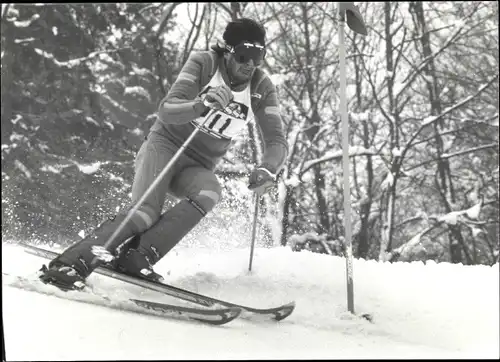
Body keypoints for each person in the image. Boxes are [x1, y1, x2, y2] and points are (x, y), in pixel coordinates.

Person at [39, 17, 288, 291]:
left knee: (210, 192)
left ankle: (137, 255)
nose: (250, 65)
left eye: (258, 57)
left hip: (198, 165)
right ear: (227, 51)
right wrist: (201, 104)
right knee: (146, 212)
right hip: (165, 146)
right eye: (243, 56)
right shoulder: (205, 64)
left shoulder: (261, 87)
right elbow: (167, 109)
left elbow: (276, 139)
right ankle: (71, 264)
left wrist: (268, 169)